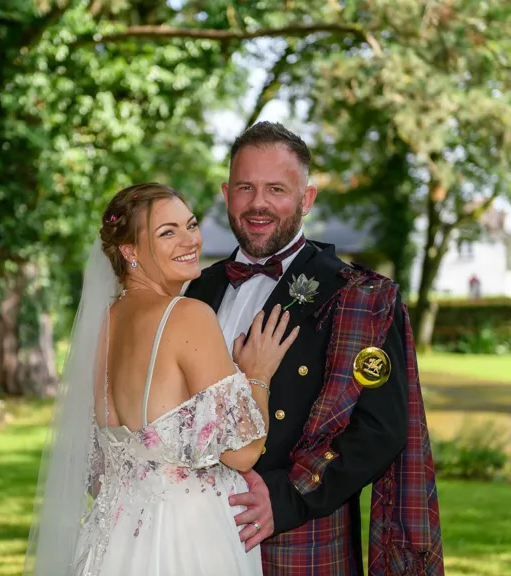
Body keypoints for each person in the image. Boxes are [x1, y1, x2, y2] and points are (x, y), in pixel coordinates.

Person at [184, 121, 445, 575]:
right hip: (190, 533)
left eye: (277, 189)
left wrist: (286, 498)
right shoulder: (194, 291)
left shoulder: (360, 298)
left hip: (301, 541)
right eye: (246, 187)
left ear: (307, 200)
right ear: (227, 193)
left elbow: (380, 429)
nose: (258, 203)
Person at [23, 182, 300, 576]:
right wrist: (257, 376)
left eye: (189, 225)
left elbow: (96, 472)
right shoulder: (188, 315)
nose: (190, 240)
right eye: (167, 232)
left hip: (112, 539)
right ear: (129, 251)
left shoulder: (102, 326)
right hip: (186, 539)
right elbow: (241, 453)